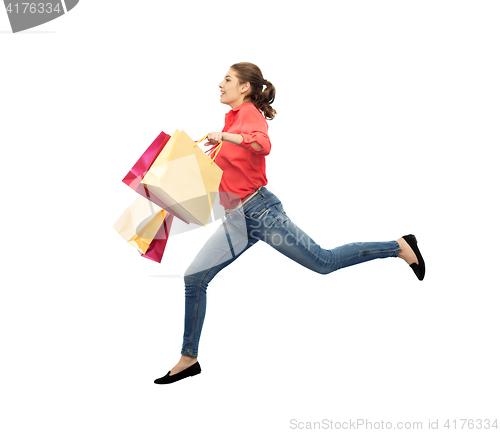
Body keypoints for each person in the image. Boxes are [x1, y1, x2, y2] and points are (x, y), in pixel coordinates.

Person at [153, 62, 425, 385]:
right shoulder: (232, 119)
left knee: (324, 261)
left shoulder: (248, 114)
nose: (220, 84)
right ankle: (189, 358)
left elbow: (263, 144)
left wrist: (226, 137)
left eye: (227, 79)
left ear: (245, 88)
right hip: (237, 221)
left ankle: (399, 247)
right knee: (194, 277)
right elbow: (230, 174)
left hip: (262, 215)